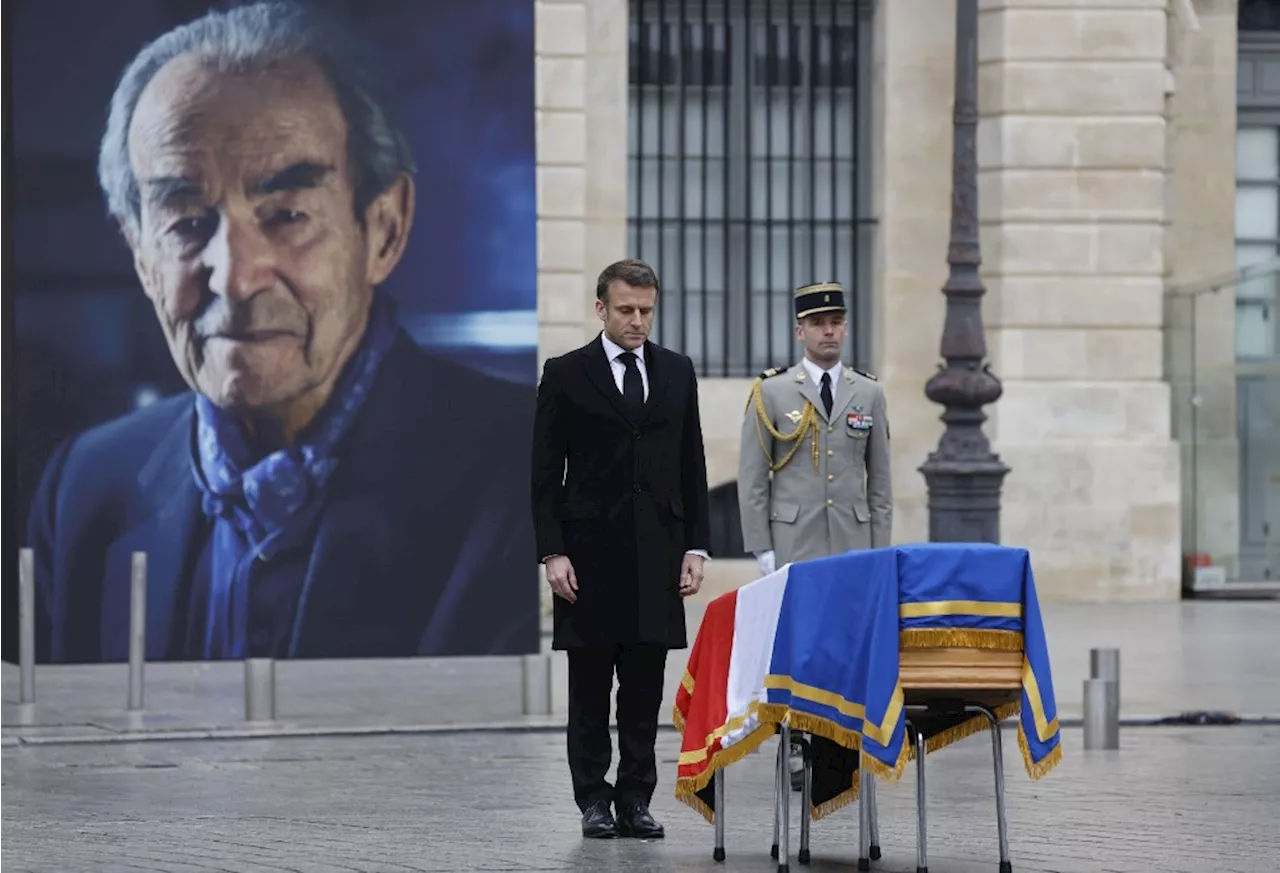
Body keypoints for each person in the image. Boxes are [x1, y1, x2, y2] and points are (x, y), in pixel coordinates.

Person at [27, 1, 538, 663]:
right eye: (185, 222)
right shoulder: (85, 490)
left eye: (287, 213)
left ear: (384, 229)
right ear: (140, 253)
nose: (235, 277)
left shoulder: (536, 477)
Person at [530, 259, 712, 840]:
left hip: (657, 556)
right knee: (589, 689)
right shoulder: (565, 374)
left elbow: (693, 465)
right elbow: (542, 475)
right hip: (587, 558)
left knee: (642, 687)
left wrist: (697, 548)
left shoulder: (678, 372)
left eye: (647, 311)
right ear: (601, 309)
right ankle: (593, 799)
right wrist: (551, 552)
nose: (639, 321)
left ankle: (637, 797)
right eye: (628, 310)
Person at [736, 281, 893, 789]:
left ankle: (843, 743)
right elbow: (753, 476)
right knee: (799, 649)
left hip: (851, 543)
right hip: (795, 544)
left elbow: (881, 483)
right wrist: (762, 547)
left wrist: (880, 549)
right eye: (819, 323)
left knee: (846, 647)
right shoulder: (773, 391)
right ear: (800, 330)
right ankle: (795, 739)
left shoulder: (868, 391)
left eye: (837, 322)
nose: (829, 331)